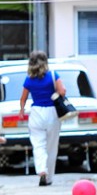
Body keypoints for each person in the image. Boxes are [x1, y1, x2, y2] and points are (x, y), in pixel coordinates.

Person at [19, 50, 66, 186]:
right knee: (51, 146)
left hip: (36, 113)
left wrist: (22, 110)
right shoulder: (53, 75)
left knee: (38, 144)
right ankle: (49, 177)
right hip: (52, 112)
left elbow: (23, 99)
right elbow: (62, 91)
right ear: (45, 61)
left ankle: (41, 169)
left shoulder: (29, 79)